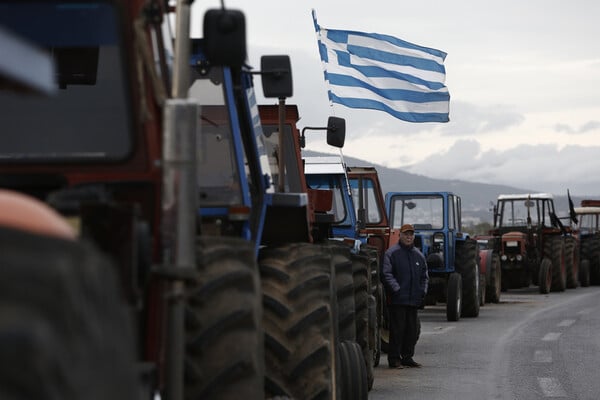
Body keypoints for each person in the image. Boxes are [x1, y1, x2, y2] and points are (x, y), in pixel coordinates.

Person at [382, 223, 429, 369]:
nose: (408, 237)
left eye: (411, 234)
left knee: (411, 330)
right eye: (406, 234)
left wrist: (422, 291)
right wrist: (396, 289)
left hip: (413, 300)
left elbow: (424, 276)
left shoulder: (418, 255)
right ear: (400, 235)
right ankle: (394, 359)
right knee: (397, 330)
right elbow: (386, 274)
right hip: (398, 300)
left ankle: (408, 357)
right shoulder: (392, 253)